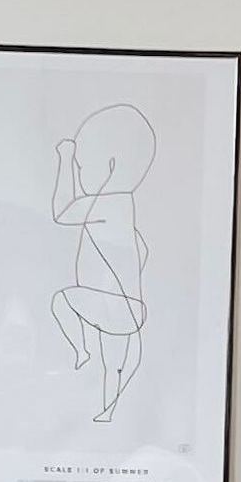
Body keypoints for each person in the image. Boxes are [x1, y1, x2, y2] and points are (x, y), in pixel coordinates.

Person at [50, 103, 156, 423]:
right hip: (129, 308)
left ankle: (82, 349)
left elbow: (62, 211)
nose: (81, 176)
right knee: (114, 365)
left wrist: (65, 160)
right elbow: (142, 248)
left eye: (83, 168)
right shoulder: (126, 207)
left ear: (110, 166)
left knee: (62, 301)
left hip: (109, 303)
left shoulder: (107, 203)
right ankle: (107, 413)